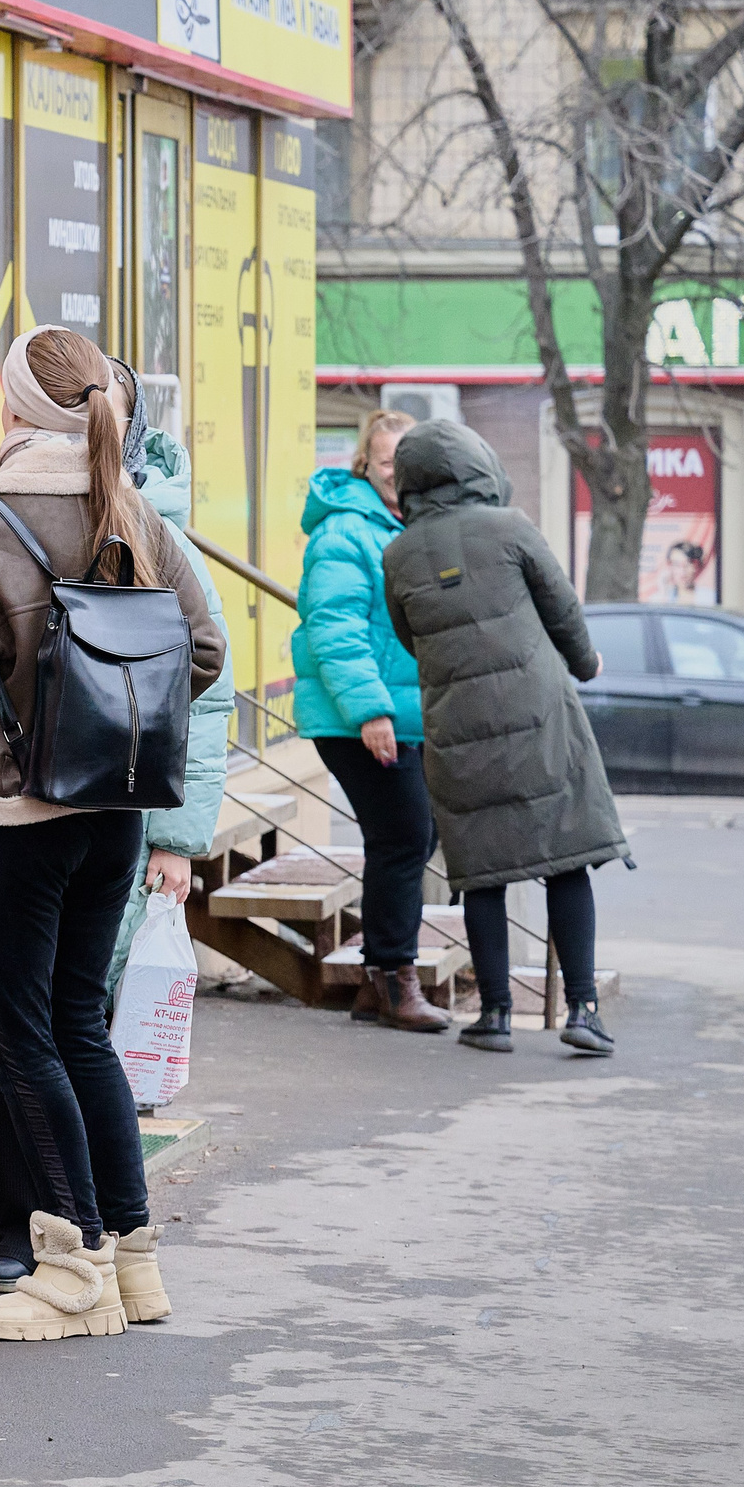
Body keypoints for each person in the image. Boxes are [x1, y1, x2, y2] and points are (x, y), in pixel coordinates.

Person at [0, 326, 225, 1340]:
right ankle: (132, 1259)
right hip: (114, 811)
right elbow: (199, 649)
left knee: (19, 1032)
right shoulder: (133, 507)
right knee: (80, 1027)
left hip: (13, 810)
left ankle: (68, 1265)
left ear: (13, 409)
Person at [381, 420, 627, 1056]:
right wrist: (585, 661)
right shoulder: (510, 527)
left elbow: (411, 638)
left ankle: (493, 1015)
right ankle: (583, 1010)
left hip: (457, 730)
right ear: (478, 464)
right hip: (539, 719)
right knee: (566, 859)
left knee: (481, 872)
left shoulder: (399, 552)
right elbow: (562, 608)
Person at [291, 408, 447, 1033]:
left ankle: (375, 983)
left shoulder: (402, 524)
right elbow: (335, 628)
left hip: (397, 712)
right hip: (355, 715)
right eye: (386, 462)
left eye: (405, 464)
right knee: (407, 835)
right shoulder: (345, 531)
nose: (396, 473)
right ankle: (393, 979)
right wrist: (372, 711)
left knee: (408, 836)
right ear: (366, 464)